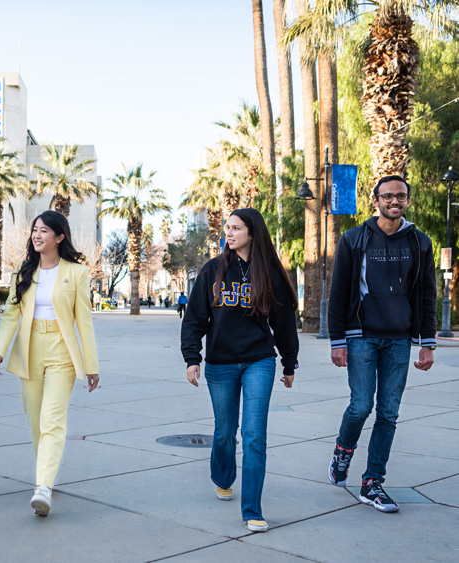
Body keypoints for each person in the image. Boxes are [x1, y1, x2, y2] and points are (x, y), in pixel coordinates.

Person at [181, 208, 299, 533]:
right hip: (220, 363)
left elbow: (284, 324)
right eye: (227, 228)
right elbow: (195, 319)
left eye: (236, 228)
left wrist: (289, 363)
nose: (229, 233)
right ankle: (222, 476)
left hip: (259, 360)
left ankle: (252, 510)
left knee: (254, 435)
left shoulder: (271, 274)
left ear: (252, 232)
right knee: (224, 432)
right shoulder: (212, 271)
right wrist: (193, 358)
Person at [326, 176, 436, 513]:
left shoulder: (419, 242)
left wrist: (427, 342)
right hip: (361, 336)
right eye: (387, 196)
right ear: (375, 200)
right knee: (360, 406)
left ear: (408, 200)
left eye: (400, 196)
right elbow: (339, 292)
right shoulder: (354, 239)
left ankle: (373, 482)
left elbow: (427, 294)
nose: (394, 201)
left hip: (399, 339)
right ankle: (343, 452)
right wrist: (337, 340)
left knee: (388, 412)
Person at [0, 210, 99, 517]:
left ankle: (43, 487)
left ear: (59, 236)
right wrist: (0, 348)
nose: (37, 235)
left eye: (44, 231)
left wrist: (91, 365)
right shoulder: (23, 271)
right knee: (36, 421)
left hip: (62, 352)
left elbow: (84, 322)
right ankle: (45, 477)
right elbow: (12, 314)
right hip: (29, 349)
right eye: (34, 230)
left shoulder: (76, 272)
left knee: (52, 420)